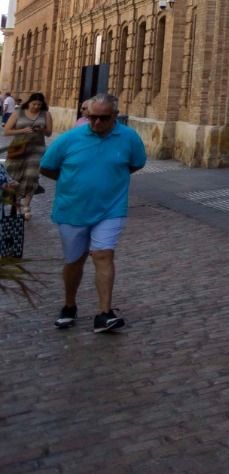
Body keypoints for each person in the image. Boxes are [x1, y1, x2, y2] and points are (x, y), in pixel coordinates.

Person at [38, 92, 145, 333]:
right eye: (93, 117)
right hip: (72, 208)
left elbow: (136, 163)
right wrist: (70, 183)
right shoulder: (70, 138)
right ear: (86, 114)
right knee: (74, 261)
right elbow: (46, 167)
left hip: (111, 208)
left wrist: (111, 181)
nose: (97, 123)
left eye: (104, 118)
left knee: (103, 255)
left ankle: (104, 313)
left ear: (115, 116)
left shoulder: (129, 138)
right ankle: (69, 305)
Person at [3, 92, 53, 220]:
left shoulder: (46, 114)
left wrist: (41, 130)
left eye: (39, 104)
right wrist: (22, 130)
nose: (36, 106)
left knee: (31, 176)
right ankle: (17, 204)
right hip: (18, 148)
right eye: (34, 104)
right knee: (13, 175)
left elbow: (49, 133)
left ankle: (26, 207)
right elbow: (7, 131)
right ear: (29, 102)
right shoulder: (18, 112)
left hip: (36, 149)